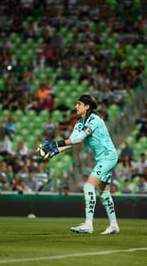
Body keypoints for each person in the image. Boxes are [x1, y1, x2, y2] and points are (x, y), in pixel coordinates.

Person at [39, 94, 119, 234]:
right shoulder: (79, 124)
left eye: (79, 104)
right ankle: (113, 225)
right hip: (101, 159)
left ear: (87, 106)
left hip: (108, 156)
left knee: (88, 186)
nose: (76, 106)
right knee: (104, 192)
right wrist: (55, 151)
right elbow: (72, 141)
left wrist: (55, 144)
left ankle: (88, 224)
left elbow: (80, 138)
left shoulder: (95, 120)